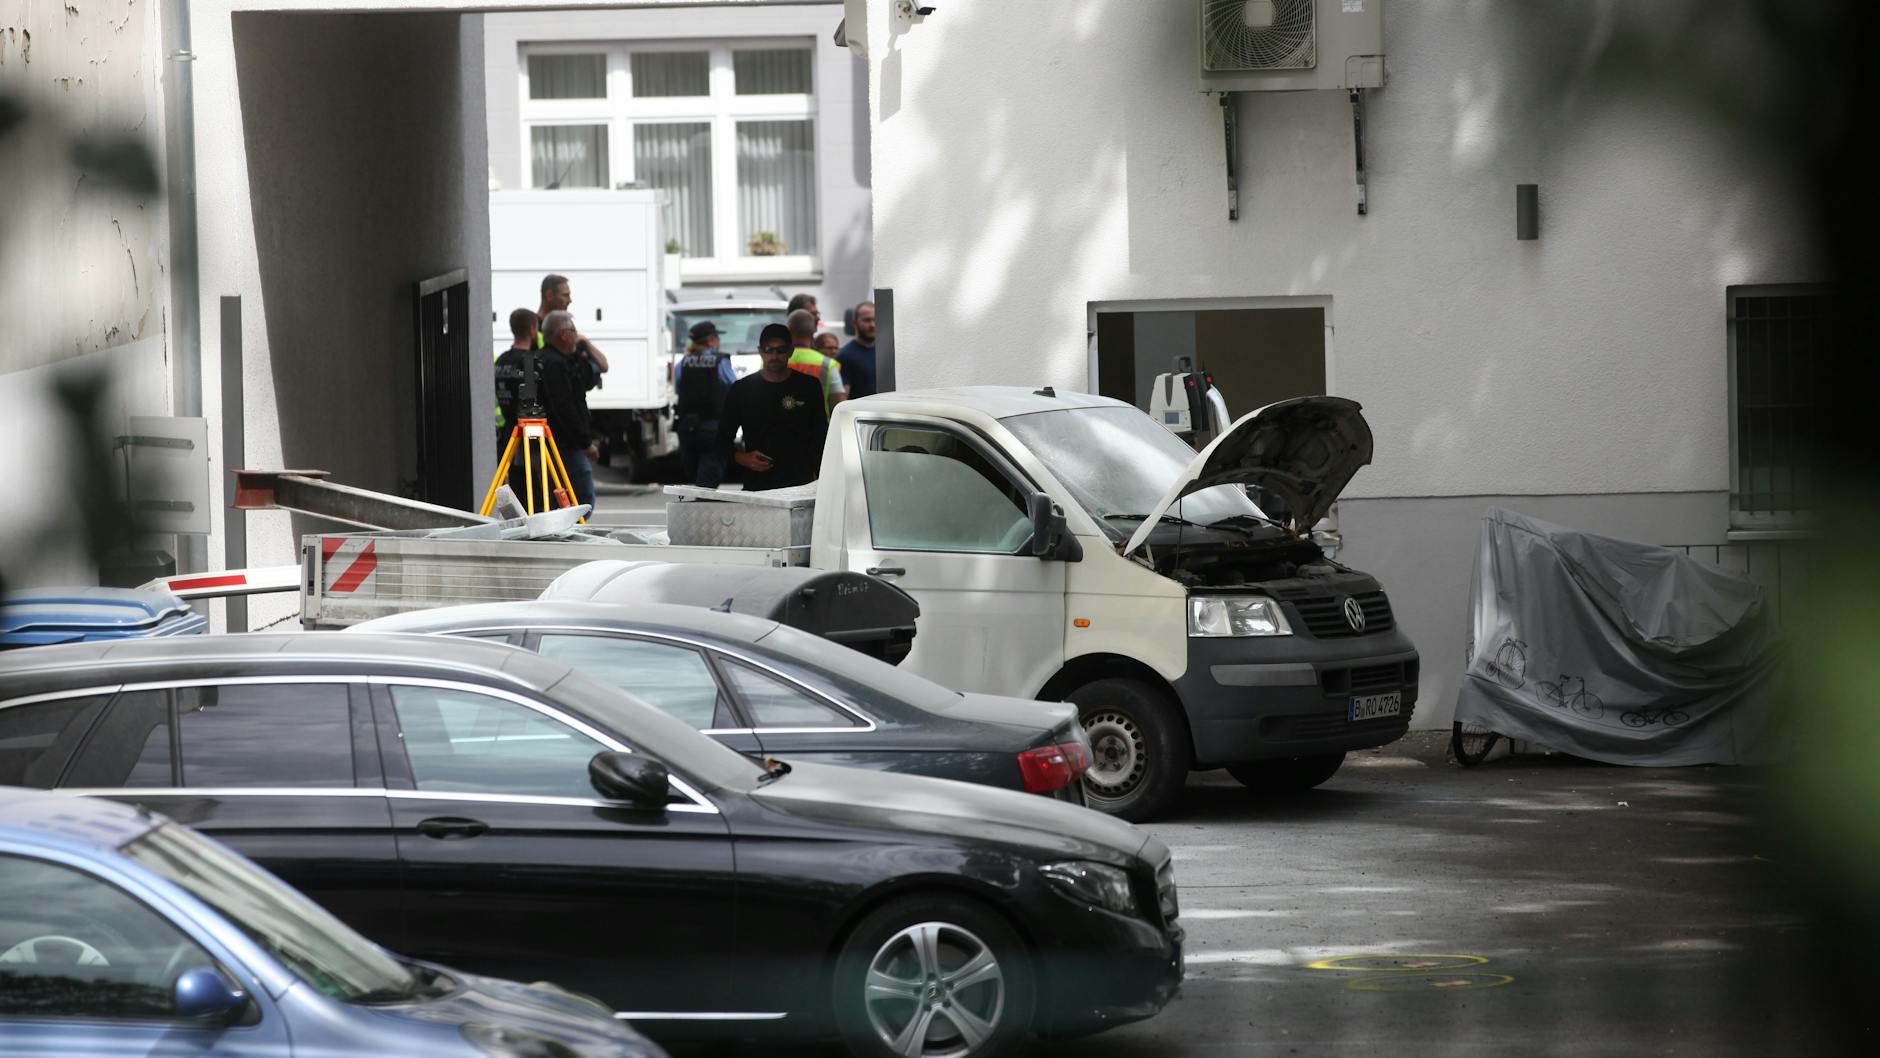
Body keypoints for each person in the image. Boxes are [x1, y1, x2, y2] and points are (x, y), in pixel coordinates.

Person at [717, 323, 828, 491]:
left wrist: (823, 479)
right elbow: (722, 440)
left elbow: (821, 437)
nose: (774, 356)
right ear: (760, 351)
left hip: (801, 484)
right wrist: (743, 458)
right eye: (769, 350)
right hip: (758, 484)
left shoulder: (808, 386)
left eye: (781, 350)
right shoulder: (742, 389)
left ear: (790, 351)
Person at [539, 310, 599, 509]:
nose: (577, 335)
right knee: (582, 500)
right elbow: (565, 406)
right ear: (564, 334)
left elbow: (600, 368)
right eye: (574, 330)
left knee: (562, 499)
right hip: (565, 444)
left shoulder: (551, 359)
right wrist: (585, 442)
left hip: (554, 443)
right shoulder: (556, 364)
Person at [673, 319, 737, 488]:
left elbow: (679, 390)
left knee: (696, 477)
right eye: (717, 337)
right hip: (713, 428)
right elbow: (734, 389)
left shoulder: (683, 363)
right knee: (708, 480)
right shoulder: (720, 361)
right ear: (710, 340)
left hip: (688, 428)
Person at [536, 273, 609, 385]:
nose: (570, 300)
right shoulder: (533, 328)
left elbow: (603, 365)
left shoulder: (564, 326)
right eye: (565, 295)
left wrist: (584, 342)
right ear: (550, 295)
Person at [493, 308, 538, 455]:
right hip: (530, 440)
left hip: (509, 435)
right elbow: (531, 406)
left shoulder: (501, 360)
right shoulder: (529, 362)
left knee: (515, 477)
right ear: (532, 329)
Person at [785, 308, 846, 414]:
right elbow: (840, 406)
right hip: (817, 428)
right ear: (814, 330)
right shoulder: (827, 364)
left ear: (787, 329)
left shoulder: (771, 361)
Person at [837, 299, 878, 399]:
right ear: (854, 323)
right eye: (866, 320)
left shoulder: (885, 353)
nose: (872, 325)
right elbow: (842, 399)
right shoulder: (845, 356)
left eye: (875, 320)